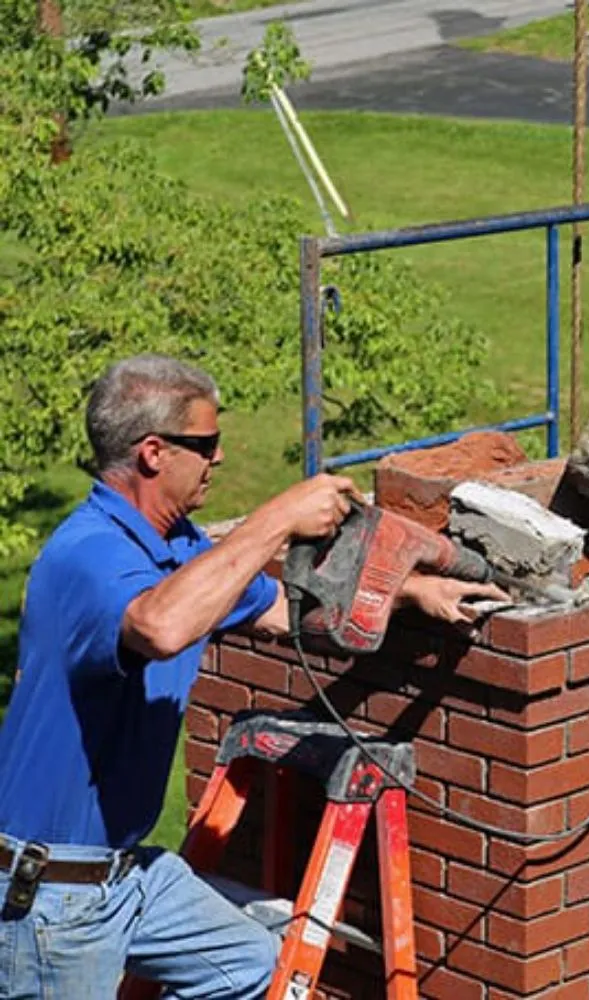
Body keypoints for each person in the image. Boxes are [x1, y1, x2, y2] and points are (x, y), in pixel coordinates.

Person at [0, 354, 506, 999]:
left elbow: (273, 610)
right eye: (206, 443)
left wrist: (412, 593)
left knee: (256, 966)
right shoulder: (90, 554)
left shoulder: (176, 546)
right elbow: (161, 626)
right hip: (54, 895)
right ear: (153, 453)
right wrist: (277, 518)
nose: (219, 457)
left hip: (125, 874)